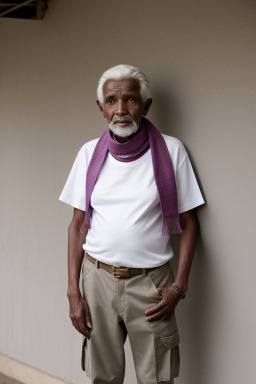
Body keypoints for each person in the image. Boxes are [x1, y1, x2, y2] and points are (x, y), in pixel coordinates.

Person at [59, 64, 204, 384]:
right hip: (97, 280)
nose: (121, 110)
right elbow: (77, 224)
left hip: (151, 283)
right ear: (101, 108)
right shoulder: (87, 154)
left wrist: (179, 287)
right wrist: (73, 292)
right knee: (103, 376)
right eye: (111, 101)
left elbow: (189, 223)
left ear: (146, 104)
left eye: (131, 100)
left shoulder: (171, 150)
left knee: (156, 377)